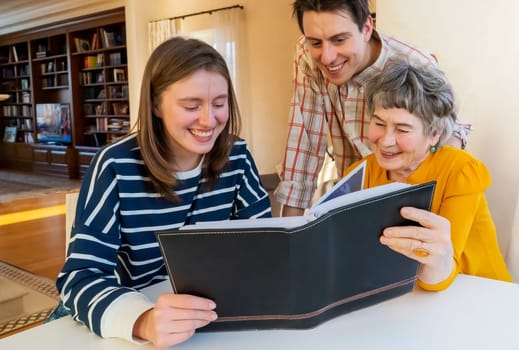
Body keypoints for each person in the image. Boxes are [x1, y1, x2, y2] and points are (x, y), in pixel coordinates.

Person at [53, 37, 272, 347]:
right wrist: (144, 321)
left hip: (209, 315)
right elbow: (79, 278)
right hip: (128, 316)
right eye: (191, 106)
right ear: (156, 104)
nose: (209, 120)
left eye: (219, 103)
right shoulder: (115, 165)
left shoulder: (236, 156)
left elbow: (264, 246)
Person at [276, 0, 472, 217]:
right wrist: (289, 241)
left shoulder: (413, 64)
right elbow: (304, 144)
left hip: (412, 204)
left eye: (339, 40)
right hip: (355, 198)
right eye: (315, 43)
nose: (327, 57)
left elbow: (449, 135)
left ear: (367, 28)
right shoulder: (306, 56)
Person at [344, 58, 511, 290]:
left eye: (402, 129)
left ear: (434, 134)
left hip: (483, 293)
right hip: (405, 299)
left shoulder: (459, 170)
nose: (386, 140)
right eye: (379, 123)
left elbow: (437, 277)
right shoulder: (361, 174)